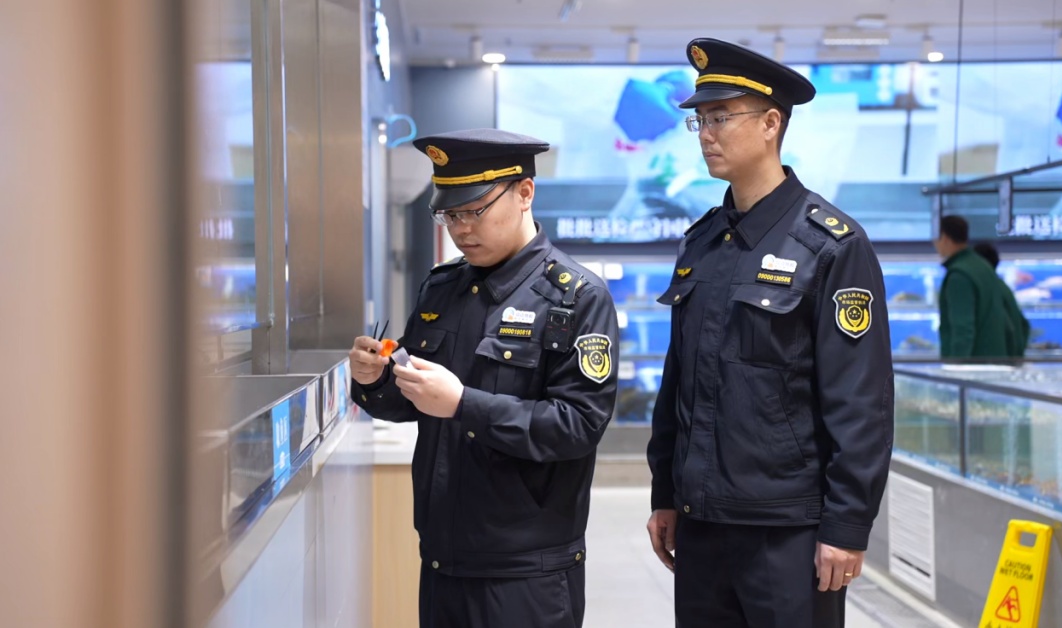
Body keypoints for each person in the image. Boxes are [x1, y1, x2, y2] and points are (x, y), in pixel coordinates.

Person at [645, 38, 894, 627]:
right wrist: (665, 493)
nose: (705, 134)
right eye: (700, 120)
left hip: (788, 532)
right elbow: (678, 382)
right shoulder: (702, 242)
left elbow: (860, 402)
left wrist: (847, 525)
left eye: (720, 117)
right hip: (702, 526)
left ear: (770, 123)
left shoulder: (831, 246)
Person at [349, 129, 619, 628]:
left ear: (524, 193)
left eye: (474, 211)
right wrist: (374, 380)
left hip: (525, 571)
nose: (461, 229)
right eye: (450, 215)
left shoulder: (576, 297)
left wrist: (462, 404)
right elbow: (410, 400)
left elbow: (578, 426)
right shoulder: (442, 288)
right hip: (442, 557)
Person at [934, 216, 1016, 360]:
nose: (934, 243)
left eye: (936, 238)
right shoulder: (983, 267)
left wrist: (954, 366)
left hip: (975, 365)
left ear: (945, 238)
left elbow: (963, 329)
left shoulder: (959, 276)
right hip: (995, 360)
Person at [973, 240, 1031, 358]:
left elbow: (1008, 327)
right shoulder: (1003, 288)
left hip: (995, 361)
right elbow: (1024, 326)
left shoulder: (987, 289)